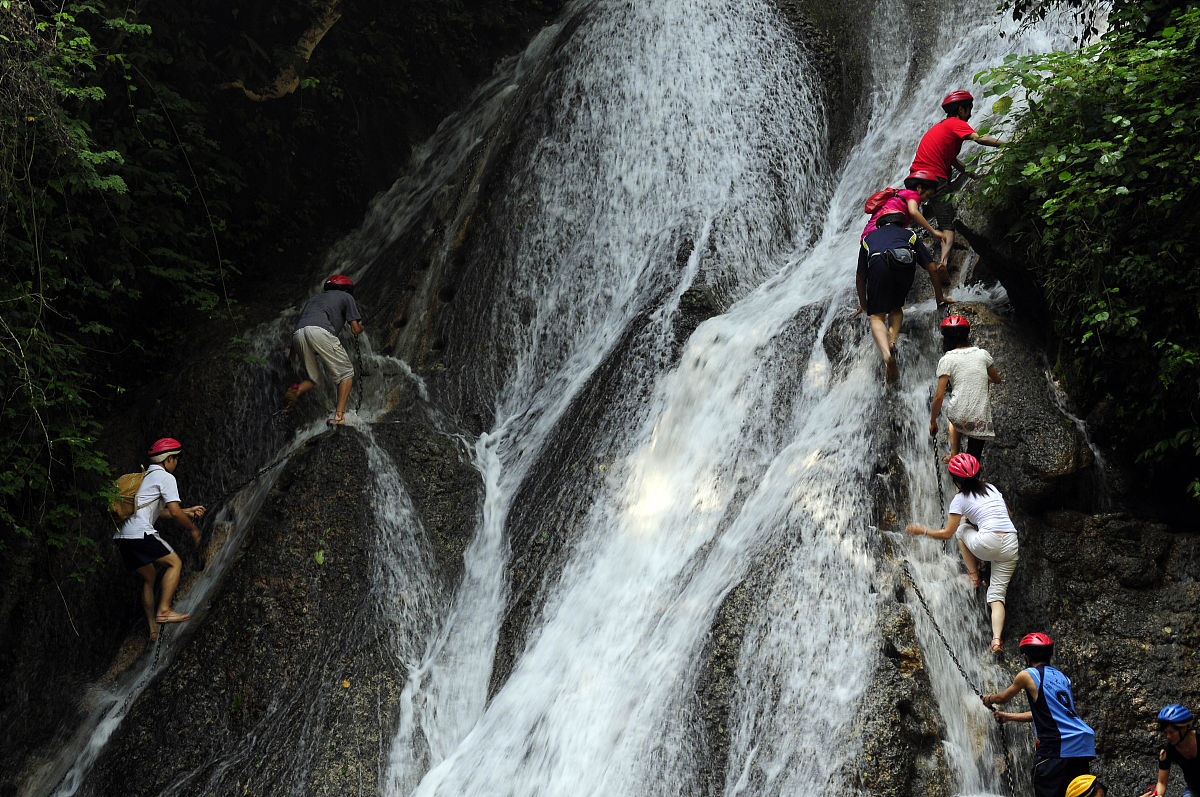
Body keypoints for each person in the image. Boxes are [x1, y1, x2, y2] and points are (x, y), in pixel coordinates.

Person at [905, 452, 1018, 652]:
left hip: (986, 544)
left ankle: (974, 576)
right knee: (997, 595)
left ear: (956, 481)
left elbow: (947, 533)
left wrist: (922, 531)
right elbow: (1008, 514)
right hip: (1010, 543)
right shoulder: (991, 488)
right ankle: (996, 639)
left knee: (960, 530)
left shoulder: (960, 499)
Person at [112, 438, 205, 639]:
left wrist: (186, 511)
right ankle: (164, 610)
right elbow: (173, 510)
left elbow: (159, 511)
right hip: (140, 534)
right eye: (176, 459)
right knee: (175, 564)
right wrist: (193, 530)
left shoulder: (146, 477)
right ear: (169, 459)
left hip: (123, 537)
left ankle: (152, 628)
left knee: (149, 576)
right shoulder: (166, 478)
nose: (177, 463)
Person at [983, 633, 1096, 797]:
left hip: (1057, 746)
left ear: (1027, 657)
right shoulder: (1063, 678)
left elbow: (1003, 698)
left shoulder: (1028, 674)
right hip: (1081, 745)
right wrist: (1009, 717)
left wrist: (988, 699)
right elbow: (1050, 714)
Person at [908, 90, 1007, 272]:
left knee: (915, 213)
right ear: (961, 109)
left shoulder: (941, 127)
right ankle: (944, 263)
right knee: (948, 223)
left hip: (915, 176)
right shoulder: (956, 123)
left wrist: (972, 174)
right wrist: (1007, 145)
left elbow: (953, 160)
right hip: (933, 176)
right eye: (969, 109)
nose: (970, 114)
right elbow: (980, 139)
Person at [852, 214, 937, 382]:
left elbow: (860, 276)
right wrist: (940, 297)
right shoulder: (909, 235)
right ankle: (892, 339)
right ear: (901, 225)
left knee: (877, 315)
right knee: (897, 306)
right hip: (904, 265)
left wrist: (864, 304)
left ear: (879, 226)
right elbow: (932, 267)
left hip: (878, 264)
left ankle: (886, 356)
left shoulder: (869, 238)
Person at [860, 170, 955, 306]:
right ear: (919, 188)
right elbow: (914, 212)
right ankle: (901, 304)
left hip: (870, 236)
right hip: (880, 233)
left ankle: (886, 303)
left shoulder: (901, 194)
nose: (926, 200)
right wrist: (933, 231)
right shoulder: (913, 195)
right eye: (927, 195)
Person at [284, 273, 365, 425]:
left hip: (298, 335)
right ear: (346, 289)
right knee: (346, 373)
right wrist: (361, 328)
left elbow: (304, 325)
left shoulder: (314, 299)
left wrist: (292, 354)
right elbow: (355, 329)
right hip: (319, 331)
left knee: (315, 380)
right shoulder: (346, 297)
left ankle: (296, 389)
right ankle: (339, 418)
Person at [929, 314, 1001, 461]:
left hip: (958, 415)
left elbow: (939, 396)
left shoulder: (947, 359)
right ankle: (972, 474)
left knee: (955, 415)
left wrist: (932, 421)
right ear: (967, 335)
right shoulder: (982, 354)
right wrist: (984, 376)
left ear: (946, 339)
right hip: (980, 419)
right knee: (974, 459)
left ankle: (954, 454)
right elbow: (997, 379)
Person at [1139, 704, 1199, 797]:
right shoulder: (1168, 751)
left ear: (1184, 728)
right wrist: (1157, 795)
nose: (1168, 737)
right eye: (1166, 733)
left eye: (1171, 732)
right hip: (1194, 790)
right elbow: (1161, 782)